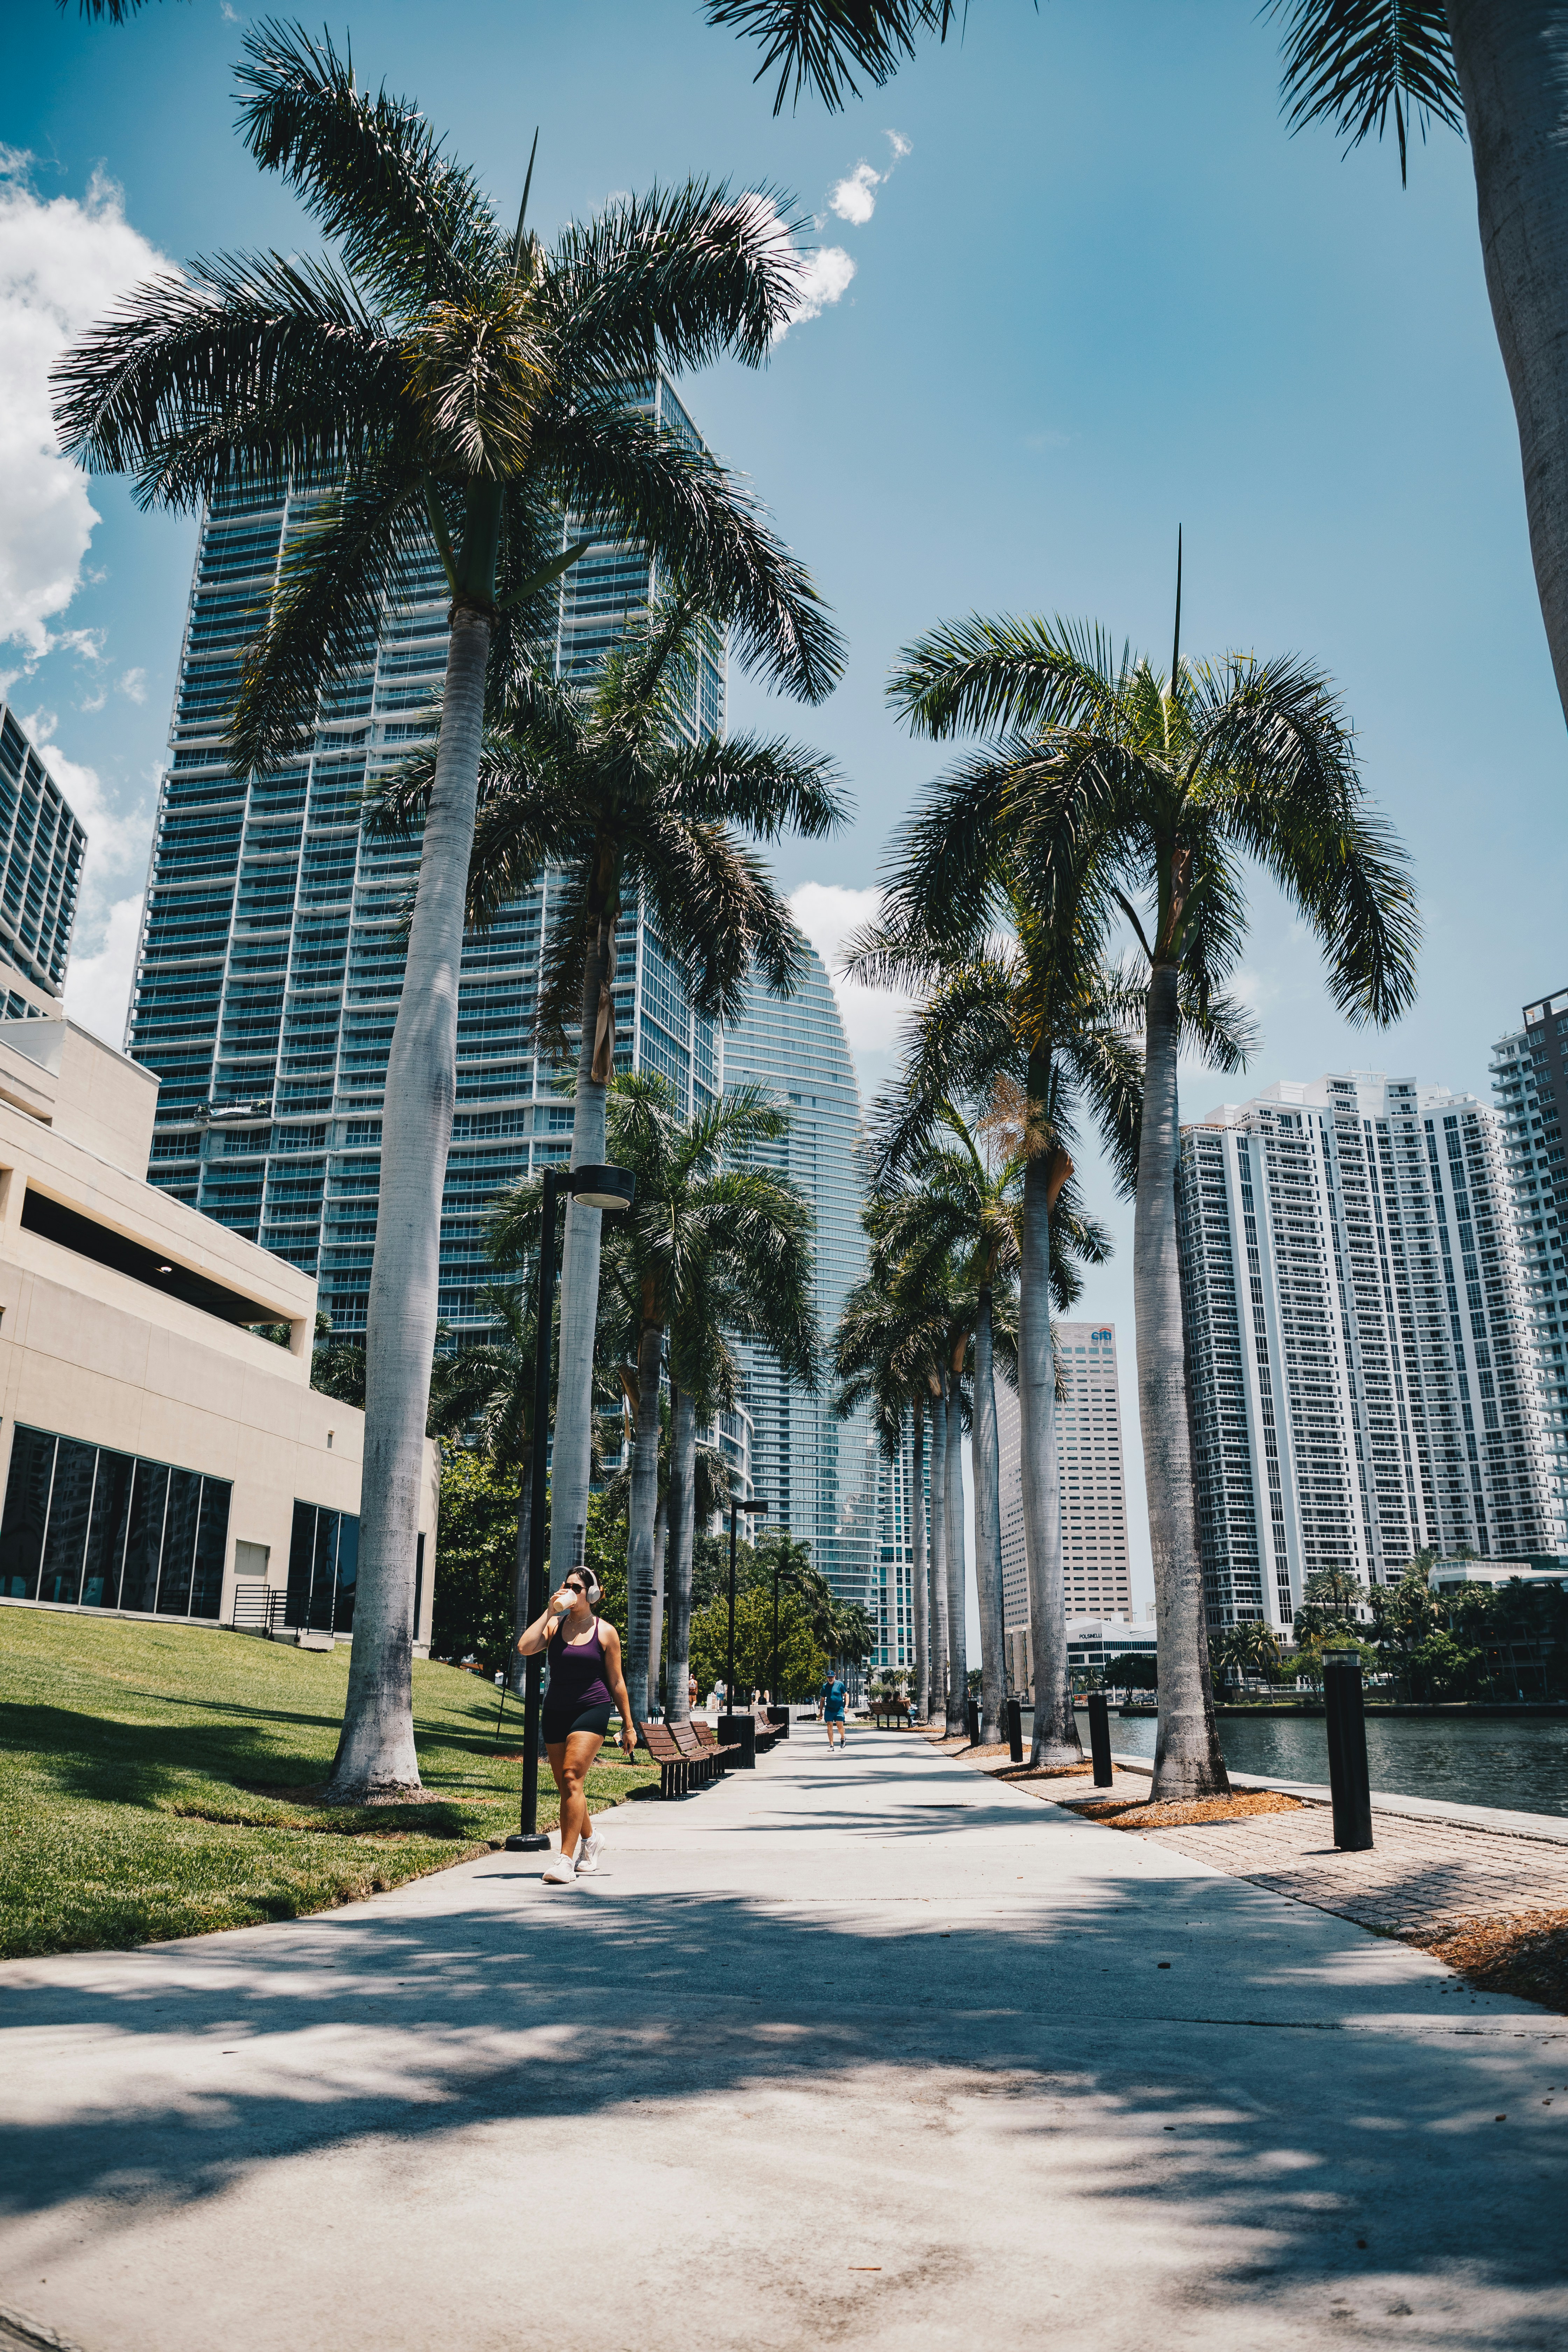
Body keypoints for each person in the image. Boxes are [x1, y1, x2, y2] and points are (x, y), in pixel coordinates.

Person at [516, 1566, 635, 1886]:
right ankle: (592, 1839)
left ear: (591, 1594)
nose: (570, 1591)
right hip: (555, 1710)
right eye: (566, 1585)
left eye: (576, 1588)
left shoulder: (605, 1632)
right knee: (568, 1787)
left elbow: (617, 1681)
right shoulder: (555, 1626)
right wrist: (550, 1610)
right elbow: (525, 1647)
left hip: (591, 1708)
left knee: (571, 1777)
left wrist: (629, 1725)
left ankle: (565, 1860)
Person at [819, 1670, 847, 1751]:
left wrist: (846, 1706)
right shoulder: (825, 1687)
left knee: (840, 1727)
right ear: (827, 1678)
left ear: (835, 1677)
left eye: (832, 1677)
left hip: (839, 1709)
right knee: (829, 1726)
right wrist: (821, 1712)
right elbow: (822, 1700)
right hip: (829, 1709)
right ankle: (832, 1745)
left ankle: (843, 1737)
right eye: (829, 1677)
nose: (830, 1679)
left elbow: (846, 1695)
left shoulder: (840, 1685)